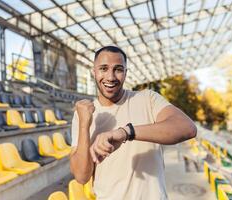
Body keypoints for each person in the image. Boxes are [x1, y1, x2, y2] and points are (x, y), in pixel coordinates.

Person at [70, 46, 197, 200]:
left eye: (118, 69)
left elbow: (187, 128)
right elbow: (81, 177)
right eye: (103, 69)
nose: (110, 77)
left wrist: (126, 132)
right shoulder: (83, 114)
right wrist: (84, 124)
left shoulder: (147, 99)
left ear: (126, 73)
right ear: (94, 72)